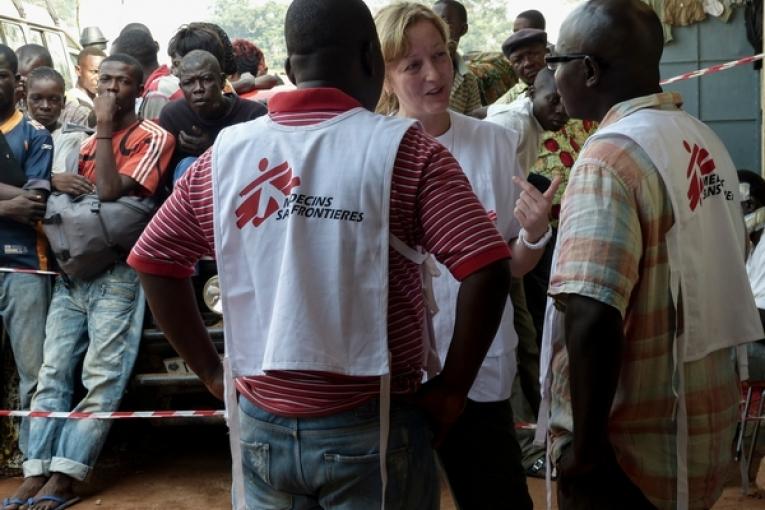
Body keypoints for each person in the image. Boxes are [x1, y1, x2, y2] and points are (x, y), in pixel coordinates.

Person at [128, 0, 518, 507]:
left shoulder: (225, 157)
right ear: (372, 59)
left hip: (261, 429)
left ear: (290, 69)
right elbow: (487, 265)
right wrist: (452, 389)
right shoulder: (406, 151)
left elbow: (153, 260)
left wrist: (211, 371)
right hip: (372, 426)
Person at [543, 0, 763, 508]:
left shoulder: (608, 158)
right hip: (698, 436)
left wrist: (587, 451)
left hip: (630, 456)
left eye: (558, 62)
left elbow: (591, 313)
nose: (553, 76)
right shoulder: (703, 142)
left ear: (589, 70)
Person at [376, 3, 558, 508]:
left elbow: (508, 268)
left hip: (477, 362)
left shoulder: (494, 143)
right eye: (412, 65)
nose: (434, 74)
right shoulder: (371, 150)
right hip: (398, 370)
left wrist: (534, 234)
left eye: (440, 55)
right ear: (386, 76)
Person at [5, 53, 174, 510]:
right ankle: (35, 470)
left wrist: (101, 130)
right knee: (52, 373)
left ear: (138, 90)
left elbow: (108, 192)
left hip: (118, 276)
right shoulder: (78, 145)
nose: (110, 90)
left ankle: (65, 476)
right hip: (74, 274)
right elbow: (69, 204)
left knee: (102, 378)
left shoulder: (153, 136)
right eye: (105, 81)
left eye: (122, 83)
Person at [0, 44, 53, 485]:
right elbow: (16, 202)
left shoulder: (36, 134)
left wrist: (20, 203)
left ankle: (33, 464)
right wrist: (7, 202)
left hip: (24, 268)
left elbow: (34, 202)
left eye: (0, 74)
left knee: (33, 372)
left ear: (16, 81)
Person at [159, 50, 266, 179]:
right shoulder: (173, 116)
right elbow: (165, 177)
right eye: (189, 83)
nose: (198, 88)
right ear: (181, 87)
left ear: (222, 81)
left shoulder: (253, 115)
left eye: (207, 79)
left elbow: (263, 168)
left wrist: (213, 150)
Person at [486, 67, 568, 173]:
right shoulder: (515, 124)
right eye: (554, 100)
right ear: (532, 93)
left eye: (568, 102)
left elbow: (483, 111)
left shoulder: (529, 115)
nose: (562, 110)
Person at [24, 67, 90, 186]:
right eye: (37, 99)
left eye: (53, 100)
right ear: (25, 99)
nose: (45, 106)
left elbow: (65, 180)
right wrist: (52, 180)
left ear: (63, 102)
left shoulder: (75, 137)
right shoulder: (13, 132)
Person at [432, 0, 481, 114]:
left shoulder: (468, 80)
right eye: (433, 21)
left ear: (463, 29)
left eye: (444, 21)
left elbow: (474, 120)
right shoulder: (416, 69)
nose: (436, 27)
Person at [60, 47, 106, 128]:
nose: (99, 78)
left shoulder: (98, 99)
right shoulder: (70, 102)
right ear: (78, 70)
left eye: (103, 72)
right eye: (94, 72)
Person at [15, 45, 53, 109]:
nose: (21, 86)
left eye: (31, 81)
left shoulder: (68, 109)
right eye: (17, 79)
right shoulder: (15, 103)